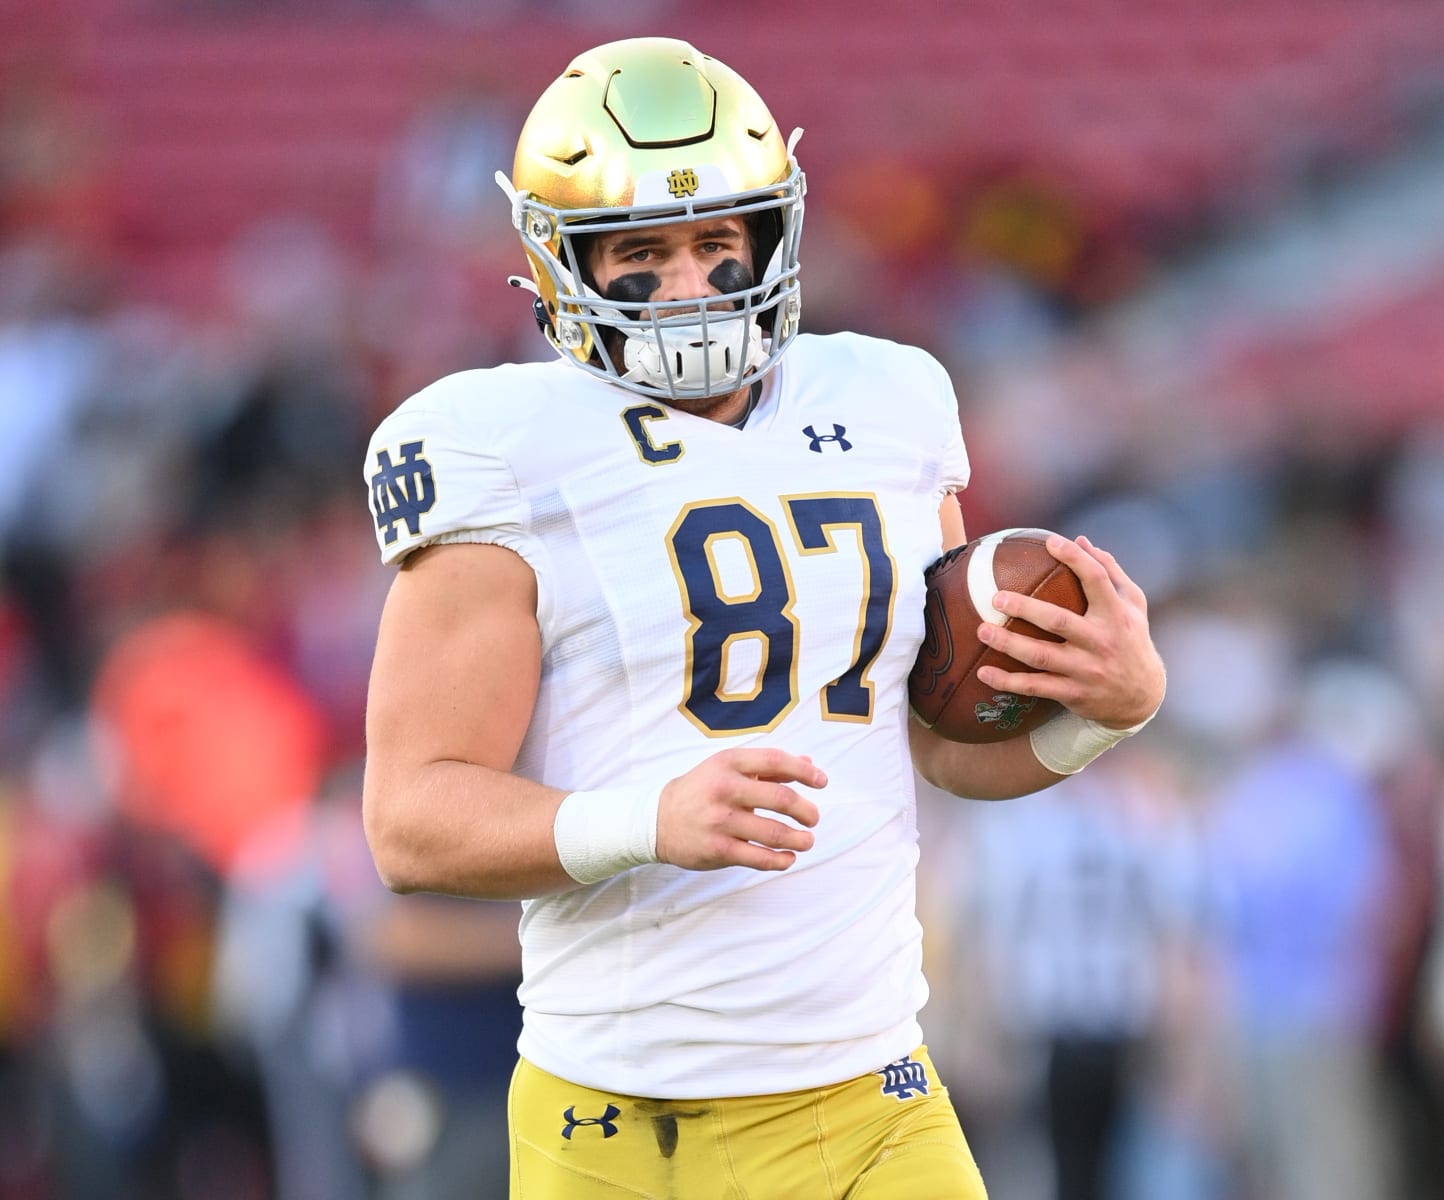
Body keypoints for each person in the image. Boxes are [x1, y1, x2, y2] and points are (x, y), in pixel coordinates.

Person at [360, 36, 1165, 1199]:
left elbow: (938, 743)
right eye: (641, 251)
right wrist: (649, 819)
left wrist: (1105, 716)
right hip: (628, 1124)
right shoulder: (501, 447)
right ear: (555, 263)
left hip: (877, 1096)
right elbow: (410, 821)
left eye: (715, 242)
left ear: (771, 237)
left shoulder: (890, 403)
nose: (689, 286)